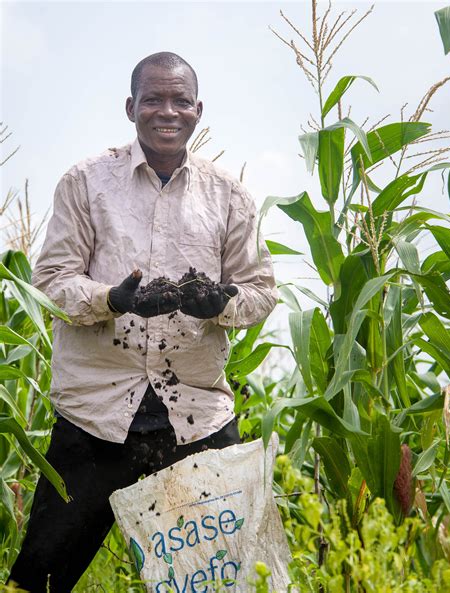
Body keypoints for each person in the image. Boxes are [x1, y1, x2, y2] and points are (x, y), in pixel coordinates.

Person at [8, 52, 277, 592]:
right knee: (40, 576)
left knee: (223, 578)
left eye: (180, 100)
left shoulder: (229, 197)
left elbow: (261, 293)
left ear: (199, 110)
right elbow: (51, 283)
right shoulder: (85, 183)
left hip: (195, 413)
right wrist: (114, 298)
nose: (167, 112)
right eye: (153, 99)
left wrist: (217, 304)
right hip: (97, 414)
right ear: (131, 107)